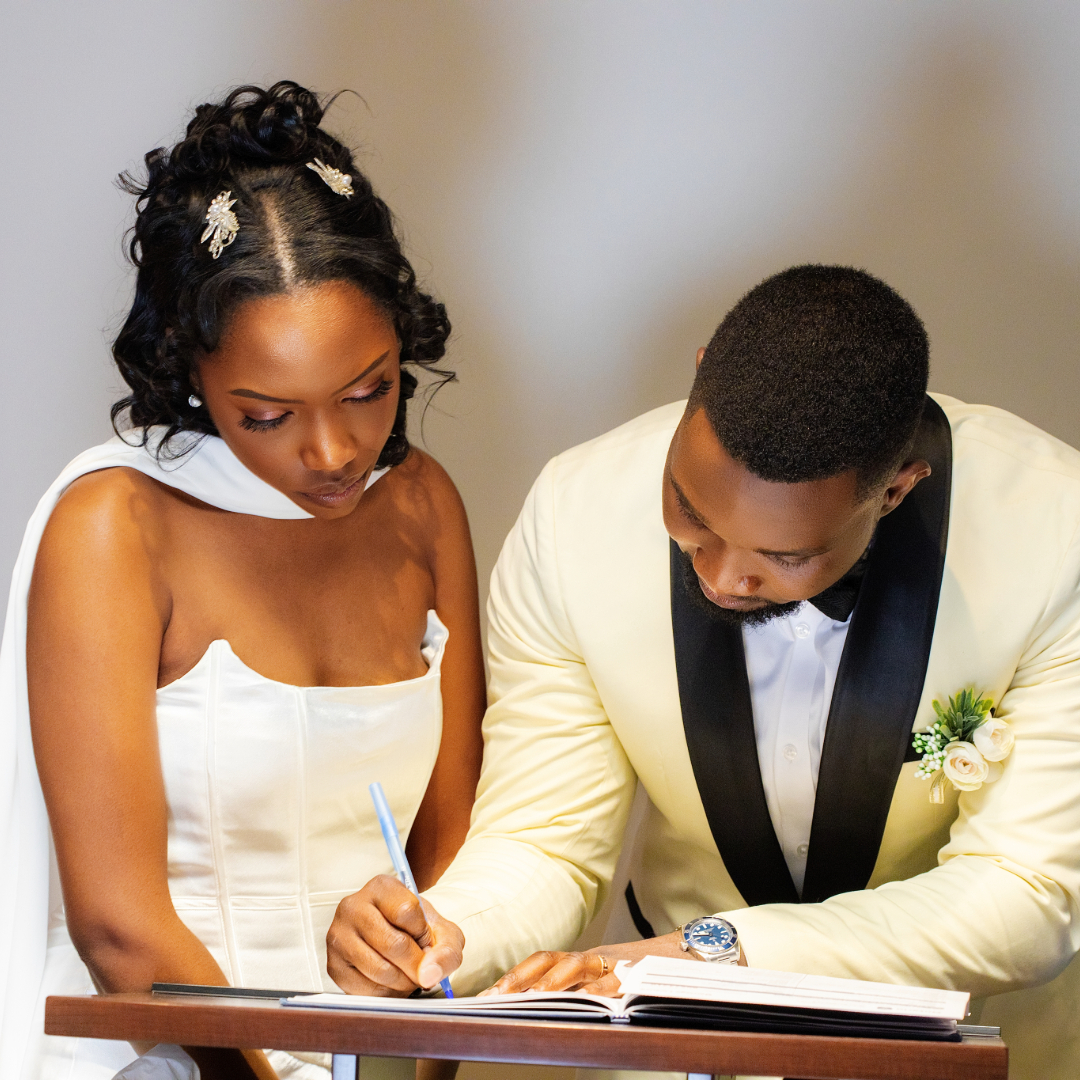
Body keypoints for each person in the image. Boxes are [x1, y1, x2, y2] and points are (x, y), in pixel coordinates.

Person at [328, 266, 1080, 1080]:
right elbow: (547, 840)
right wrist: (442, 933)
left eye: (785, 556)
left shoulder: (1054, 534)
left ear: (895, 492)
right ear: (697, 376)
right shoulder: (573, 516)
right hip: (679, 1061)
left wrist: (712, 956)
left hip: (979, 1051)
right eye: (690, 512)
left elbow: (1023, 891)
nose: (721, 577)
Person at [1, 83, 485, 1080]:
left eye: (370, 390)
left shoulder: (426, 504)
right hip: (162, 1056)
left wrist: (420, 1062)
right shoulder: (116, 527)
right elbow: (119, 925)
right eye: (266, 414)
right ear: (189, 369)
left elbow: (452, 856)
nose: (333, 450)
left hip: (377, 1057)